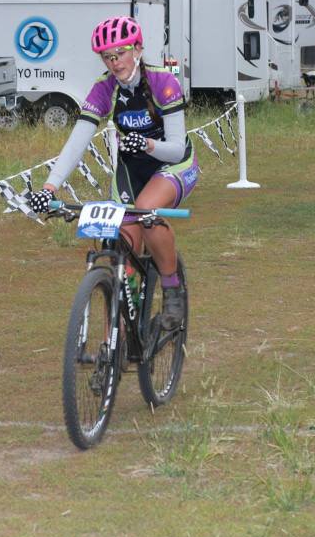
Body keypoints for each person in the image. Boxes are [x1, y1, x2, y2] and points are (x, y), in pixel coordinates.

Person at [27, 16, 199, 330]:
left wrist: (147, 143)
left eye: (119, 52)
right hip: (131, 169)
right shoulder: (104, 88)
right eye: (107, 56)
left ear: (138, 49)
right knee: (122, 244)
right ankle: (115, 345)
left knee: (146, 211)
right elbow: (77, 140)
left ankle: (173, 290)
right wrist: (49, 188)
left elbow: (175, 148)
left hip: (172, 165)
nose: (114, 61)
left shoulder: (163, 82)